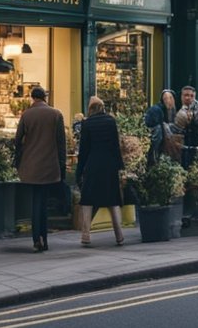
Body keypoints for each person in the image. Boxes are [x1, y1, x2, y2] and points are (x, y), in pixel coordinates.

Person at [15, 87, 67, 253]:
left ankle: (37, 238)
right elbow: (61, 144)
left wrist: (19, 160)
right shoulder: (56, 114)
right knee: (43, 202)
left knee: (35, 202)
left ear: (32, 98)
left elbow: (17, 141)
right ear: (44, 97)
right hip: (49, 165)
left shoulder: (26, 115)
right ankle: (42, 238)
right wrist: (62, 165)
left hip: (30, 165)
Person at [75, 96, 125, 247]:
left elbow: (84, 150)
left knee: (87, 199)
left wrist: (79, 171)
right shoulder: (111, 121)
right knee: (113, 199)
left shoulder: (87, 124)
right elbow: (116, 145)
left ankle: (86, 235)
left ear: (90, 109)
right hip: (110, 165)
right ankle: (119, 235)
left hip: (93, 164)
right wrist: (120, 166)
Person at [144, 89, 178, 165]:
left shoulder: (163, 109)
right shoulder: (158, 110)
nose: (168, 101)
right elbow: (159, 128)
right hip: (154, 131)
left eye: (170, 98)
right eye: (166, 98)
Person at [174, 86, 198, 169]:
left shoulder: (197, 107)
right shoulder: (177, 104)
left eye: (191, 96)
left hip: (190, 142)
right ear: (181, 96)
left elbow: (196, 125)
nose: (188, 98)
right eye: (186, 95)